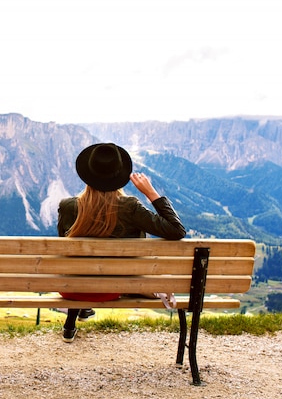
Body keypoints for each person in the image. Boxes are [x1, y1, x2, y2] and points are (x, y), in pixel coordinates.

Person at [57, 142, 186, 342]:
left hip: (72, 288)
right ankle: (81, 311)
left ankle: (73, 319)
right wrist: (151, 193)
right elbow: (176, 230)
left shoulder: (68, 206)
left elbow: (65, 251)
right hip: (113, 288)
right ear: (120, 176)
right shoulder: (130, 208)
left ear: (87, 174)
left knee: (81, 267)